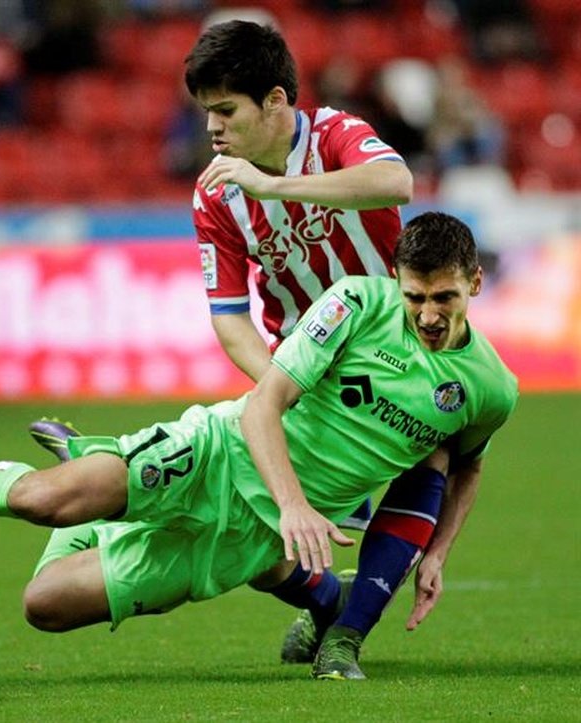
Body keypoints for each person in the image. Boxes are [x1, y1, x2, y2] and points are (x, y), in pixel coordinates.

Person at [0, 212, 518, 680]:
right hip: (216, 452)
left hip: (244, 541)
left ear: (475, 285)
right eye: (415, 295)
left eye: (444, 299)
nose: (426, 314)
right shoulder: (356, 305)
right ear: (396, 279)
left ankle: (101, 497)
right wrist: (297, 503)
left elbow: (465, 465)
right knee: (43, 500)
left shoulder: (489, 386)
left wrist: (438, 554)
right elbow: (265, 402)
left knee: (43, 604)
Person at [32, 18, 429, 673]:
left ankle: (342, 623)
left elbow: (396, 184)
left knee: (431, 452)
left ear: (276, 101)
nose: (210, 127)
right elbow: (228, 316)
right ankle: (335, 614)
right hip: (303, 375)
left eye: (225, 110)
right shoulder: (216, 191)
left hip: (398, 358)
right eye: (204, 112)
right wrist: (283, 380)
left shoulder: (334, 135)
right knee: (259, 524)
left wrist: (275, 186)